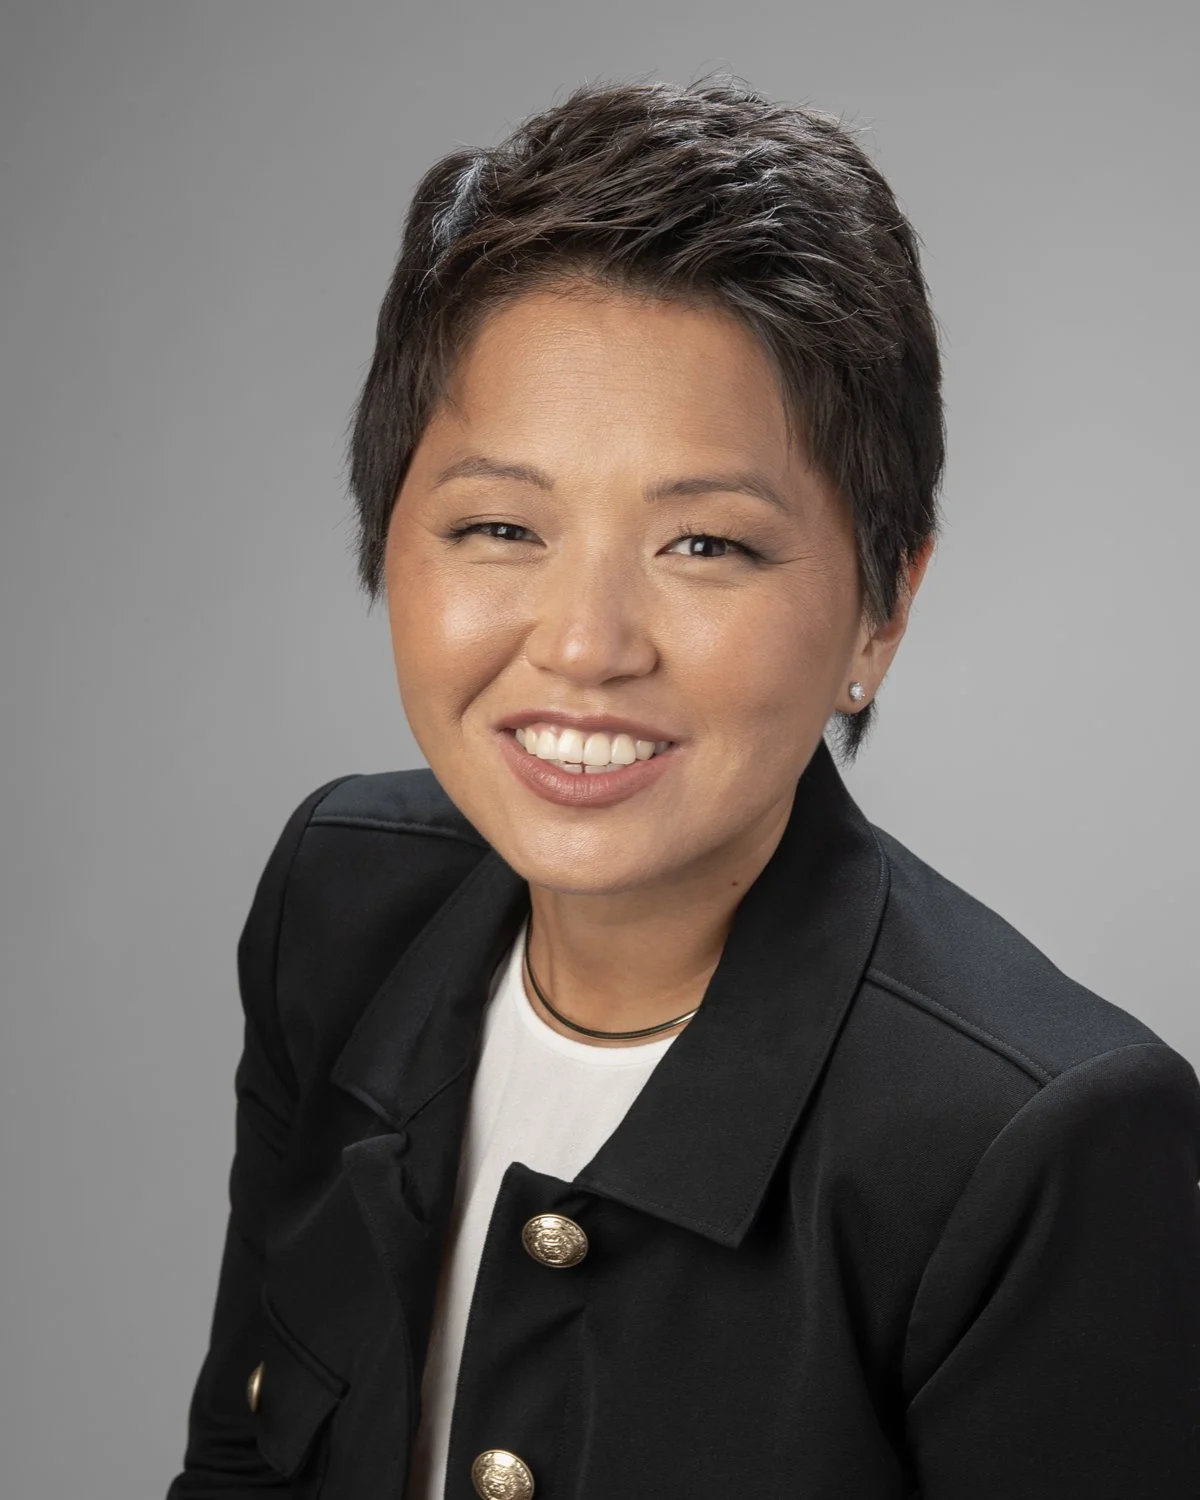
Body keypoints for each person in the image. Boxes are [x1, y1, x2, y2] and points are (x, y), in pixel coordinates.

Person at [165, 76, 1200, 1500]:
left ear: (880, 613)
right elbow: (241, 1459)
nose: (585, 645)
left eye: (706, 546)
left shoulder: (1037, 1145)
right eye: (500, 525)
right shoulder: (338, 903)